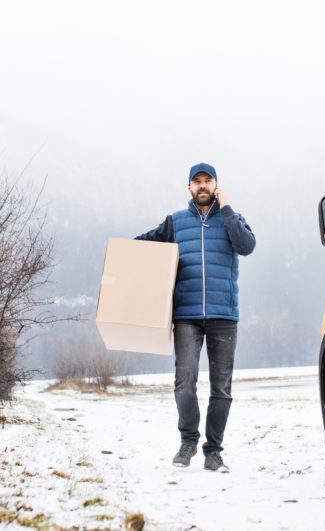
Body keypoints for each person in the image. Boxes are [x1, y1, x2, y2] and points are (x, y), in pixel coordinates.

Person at [135, 162, 256, 473]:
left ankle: (213, 451)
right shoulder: (175, 222)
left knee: (221, 389)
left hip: (223, 315)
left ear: (216, 185)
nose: (202, 186)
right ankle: (188, 441)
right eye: (196, 181)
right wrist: (121, 260)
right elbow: (142, 247)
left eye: (208, 180)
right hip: (186, 315)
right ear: (189, 188)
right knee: (184, 382)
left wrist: (227, 209)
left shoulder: (232, 219)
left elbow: (247, 246)